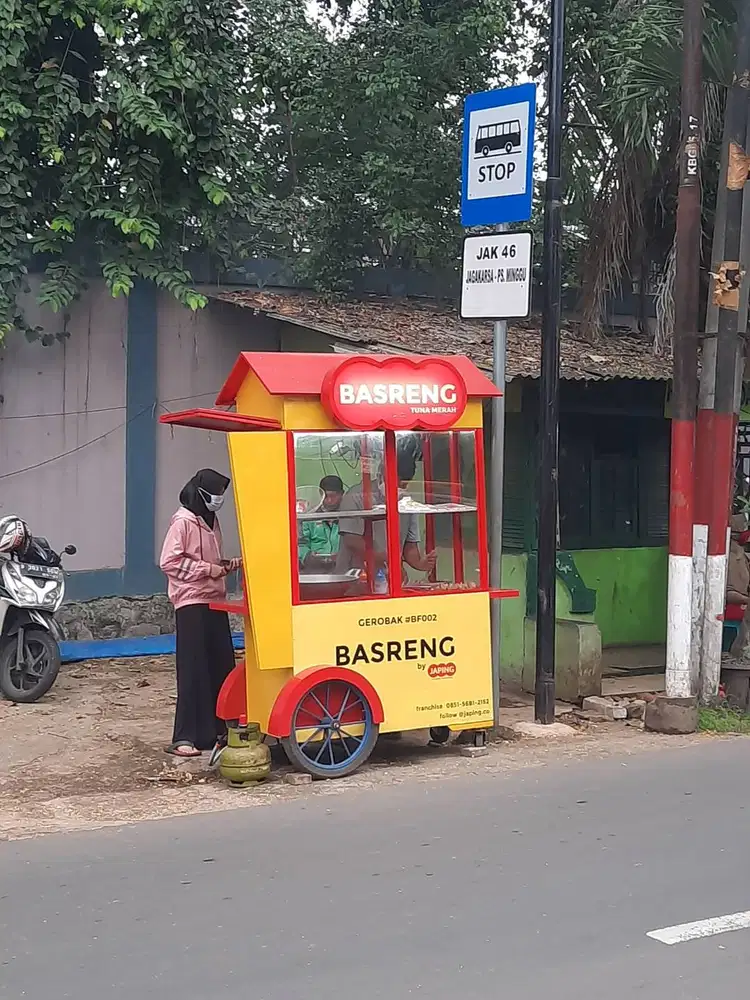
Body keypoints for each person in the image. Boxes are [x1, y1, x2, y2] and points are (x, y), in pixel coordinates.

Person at [159, 469, 241, 757]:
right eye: (216, 494)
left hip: (215, 599)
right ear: (201, 493)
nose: (219, 500)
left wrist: (225, 565)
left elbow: (206, 558)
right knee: (193, 670)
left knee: (221, 665)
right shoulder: (182, 521)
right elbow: (169, 562)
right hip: (191, 602)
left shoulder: (211, 520)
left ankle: (218, 731)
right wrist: (208, 570)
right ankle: (185, 737)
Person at [336, 451, 436, 584]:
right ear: (381, 475)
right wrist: (390, 562)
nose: (400, 487)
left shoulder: (406, 501)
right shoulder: (356, 496)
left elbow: (409, 545)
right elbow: (352, 540)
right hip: (355, 578)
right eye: (396, 481)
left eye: (404, 484)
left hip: (389, 580)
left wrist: (421, 564)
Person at [298, 475, 345, 571]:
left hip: (342, 567)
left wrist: (342, 555)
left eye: (333, 496)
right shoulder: (310, 516)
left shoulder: (348, 516)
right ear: (320, 494)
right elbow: (301, 543)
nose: (329, 500)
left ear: (341, 494)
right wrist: (308, 556)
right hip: (313, 569)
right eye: (326, 496)